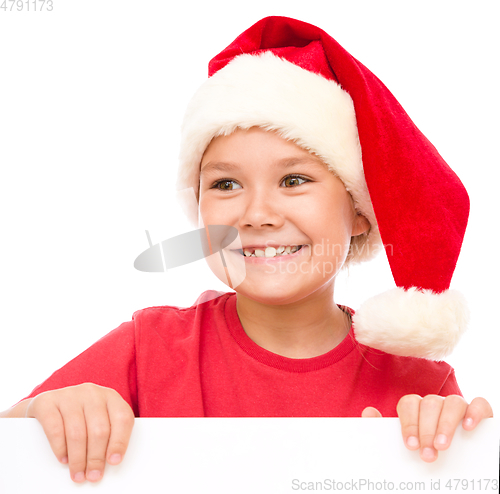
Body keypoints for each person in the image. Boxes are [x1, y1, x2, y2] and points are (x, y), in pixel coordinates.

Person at [0, 16, 493, 484]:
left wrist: (460, 446)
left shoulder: (420, 386)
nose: (257, 214)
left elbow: (461, 468)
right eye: (226, 183)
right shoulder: (149, 348)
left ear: (360, 209)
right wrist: (40, 413)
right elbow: (12, 440)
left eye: (294, 179)